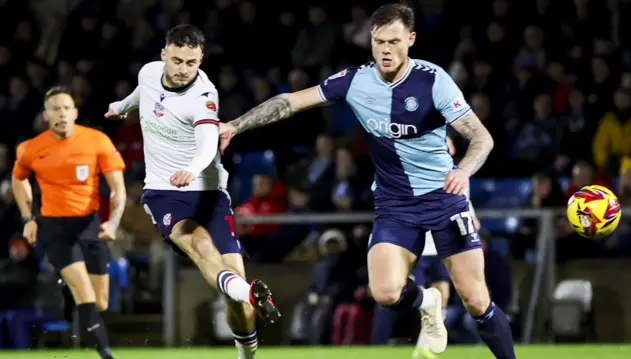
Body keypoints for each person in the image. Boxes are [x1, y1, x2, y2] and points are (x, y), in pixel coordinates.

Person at [218, 4, 515, 359]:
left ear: (411, 40)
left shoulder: (433, 80)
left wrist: (463, 171)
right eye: (378, 42)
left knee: (476, 301)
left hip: (444, 199)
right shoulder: (356, 80)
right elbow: (291, 101)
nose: (385, 50)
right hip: (395, 205)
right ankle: (427, 300)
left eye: (393, 41)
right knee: (385, 293)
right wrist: (236, 125)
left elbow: (482, 138)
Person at [104, 24, 279, 359]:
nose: (183, 69)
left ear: (201, 59)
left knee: (235, 299)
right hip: (164, 191)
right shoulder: (149, 72)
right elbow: (144, 91)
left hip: (210, 193)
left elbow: (206, 143)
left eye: (191, 63)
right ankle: (250, 292)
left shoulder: (204, 97)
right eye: (177, 60)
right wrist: (122, 105)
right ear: (163, 55)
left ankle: (246, 343)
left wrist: (194, 169)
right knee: (198, 245)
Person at [12, 86, 126, 359]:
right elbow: (18, 179)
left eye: (66, 108)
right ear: (46, 115)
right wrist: (28, 218)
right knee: (85, 291)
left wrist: (112, 224)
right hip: (54, 227)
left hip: (89, 224)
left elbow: (118, 189)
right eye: (55, 109)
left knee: (100, 301)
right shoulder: (30, 148)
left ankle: (66, 289)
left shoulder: (96, 140)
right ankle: (105, 352)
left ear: (75, 112)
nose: (61, 114)